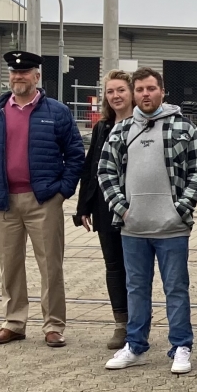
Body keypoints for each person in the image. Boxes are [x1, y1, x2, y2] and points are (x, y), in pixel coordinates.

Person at [0, 50, 85, 348]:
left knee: (51, 265)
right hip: (4, 201)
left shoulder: (56, 112)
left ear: (36, 76)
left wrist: (62, 192)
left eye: (24, 72)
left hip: (43, 201)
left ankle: (53, 325)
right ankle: (13, 322)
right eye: (13, 72)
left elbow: (75, 155)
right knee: (9, 265)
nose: (18, 77)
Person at [97, 67, 197, 372]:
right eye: (140, 89)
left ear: (162, 91)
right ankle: (136, 346)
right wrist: (121, 209)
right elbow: (104, 171)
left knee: (176, 288)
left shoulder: (183, 128)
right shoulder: (120, 131)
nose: (146, 94)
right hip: (133, 228)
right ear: (135, 93)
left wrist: (182, 208)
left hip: (172, 228)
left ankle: (181, 345)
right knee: (136, 288)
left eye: (151, 89)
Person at [74, 70, 136, 350]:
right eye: (110, 92)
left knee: (135, 268)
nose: (116, 96)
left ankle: (138, 324)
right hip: (104, 206)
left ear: (132, 92)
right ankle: (121, 324)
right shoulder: (102, 127)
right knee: (113, 266)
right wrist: (83, 207)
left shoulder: (142, 124)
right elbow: (90, 168)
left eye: (121, 90)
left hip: (136, 208)